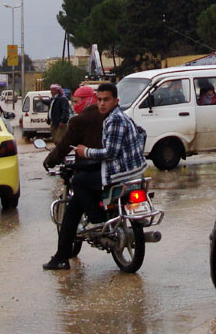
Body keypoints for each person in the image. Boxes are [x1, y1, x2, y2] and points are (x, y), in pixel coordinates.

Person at [43, 82, 146, 271]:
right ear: (95, 100)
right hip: (127, 172)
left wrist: (51, 161)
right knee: (73, 209)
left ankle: (96, 219)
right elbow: (141, 134)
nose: (102, 103)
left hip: (110, 172)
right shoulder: (121, 116)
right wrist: (131, 155)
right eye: (100, 100)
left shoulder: (91, 120)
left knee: (77, 183)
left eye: (106, 100)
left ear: (115, 100)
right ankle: (61, 256)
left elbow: (65, 146)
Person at [42, 85, 103, 169]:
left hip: (88, 166)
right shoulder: (106, 115)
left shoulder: (78, 120)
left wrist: (49, 161)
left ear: (87, 100)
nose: (74, 105)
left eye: (76, 102)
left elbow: (65, 145)